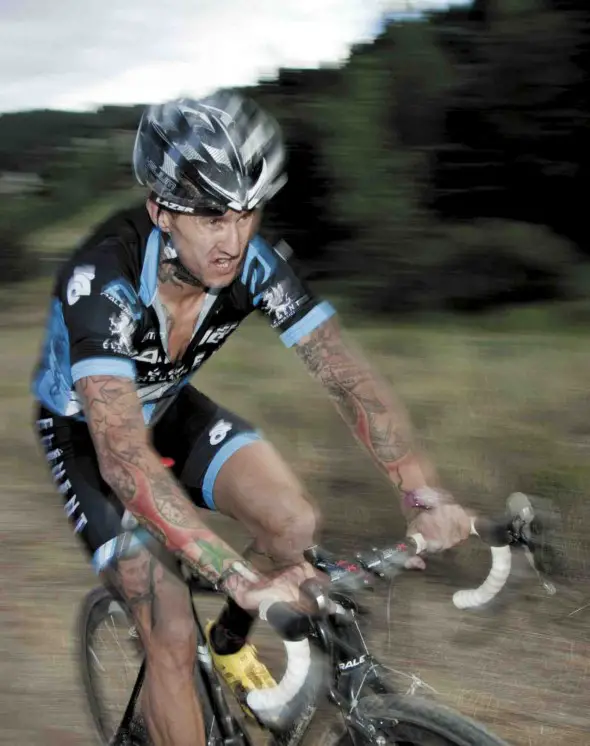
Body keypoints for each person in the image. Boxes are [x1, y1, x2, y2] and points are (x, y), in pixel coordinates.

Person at [31, 89, 472, 746]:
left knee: (293, 521)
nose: (233, 238)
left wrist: (418, 487)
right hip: (89, 439)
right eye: (210, 215)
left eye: (247, 212)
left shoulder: (256, 264)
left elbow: (346, 376)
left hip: (170, 407)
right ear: (160, 210)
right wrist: (236, 574)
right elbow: (124, 458)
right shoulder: (102, 282)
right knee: (170, 632)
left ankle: (232, 645)